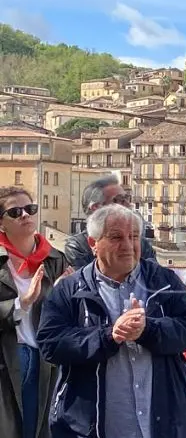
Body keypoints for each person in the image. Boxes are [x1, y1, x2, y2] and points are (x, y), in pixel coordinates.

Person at [37, 204, 186, 438]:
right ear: (93, 243)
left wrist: (148, 329)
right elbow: (50, 343)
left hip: (164, 425)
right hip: (90, 428)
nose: (128, 245)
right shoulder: (69, 290)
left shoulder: (163, 280)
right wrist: (109, 336)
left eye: (134, 237)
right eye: (116, 237)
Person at [0, 187, 71, 438]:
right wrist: (23, 303)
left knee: (40, 428)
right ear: (1, 223)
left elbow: (69, 315)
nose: (25, 215)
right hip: (9, 357)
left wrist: (61, 296)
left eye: (30, 209)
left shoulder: (55, 259)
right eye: (15, 212)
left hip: (46, 358)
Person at [64, 175, 158, 268]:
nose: (127, 204)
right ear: (96, 207)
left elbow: (154, 274)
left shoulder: (141, 244)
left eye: (126, 198)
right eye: (119, 199)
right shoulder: (77, 246)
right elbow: (87, 277)